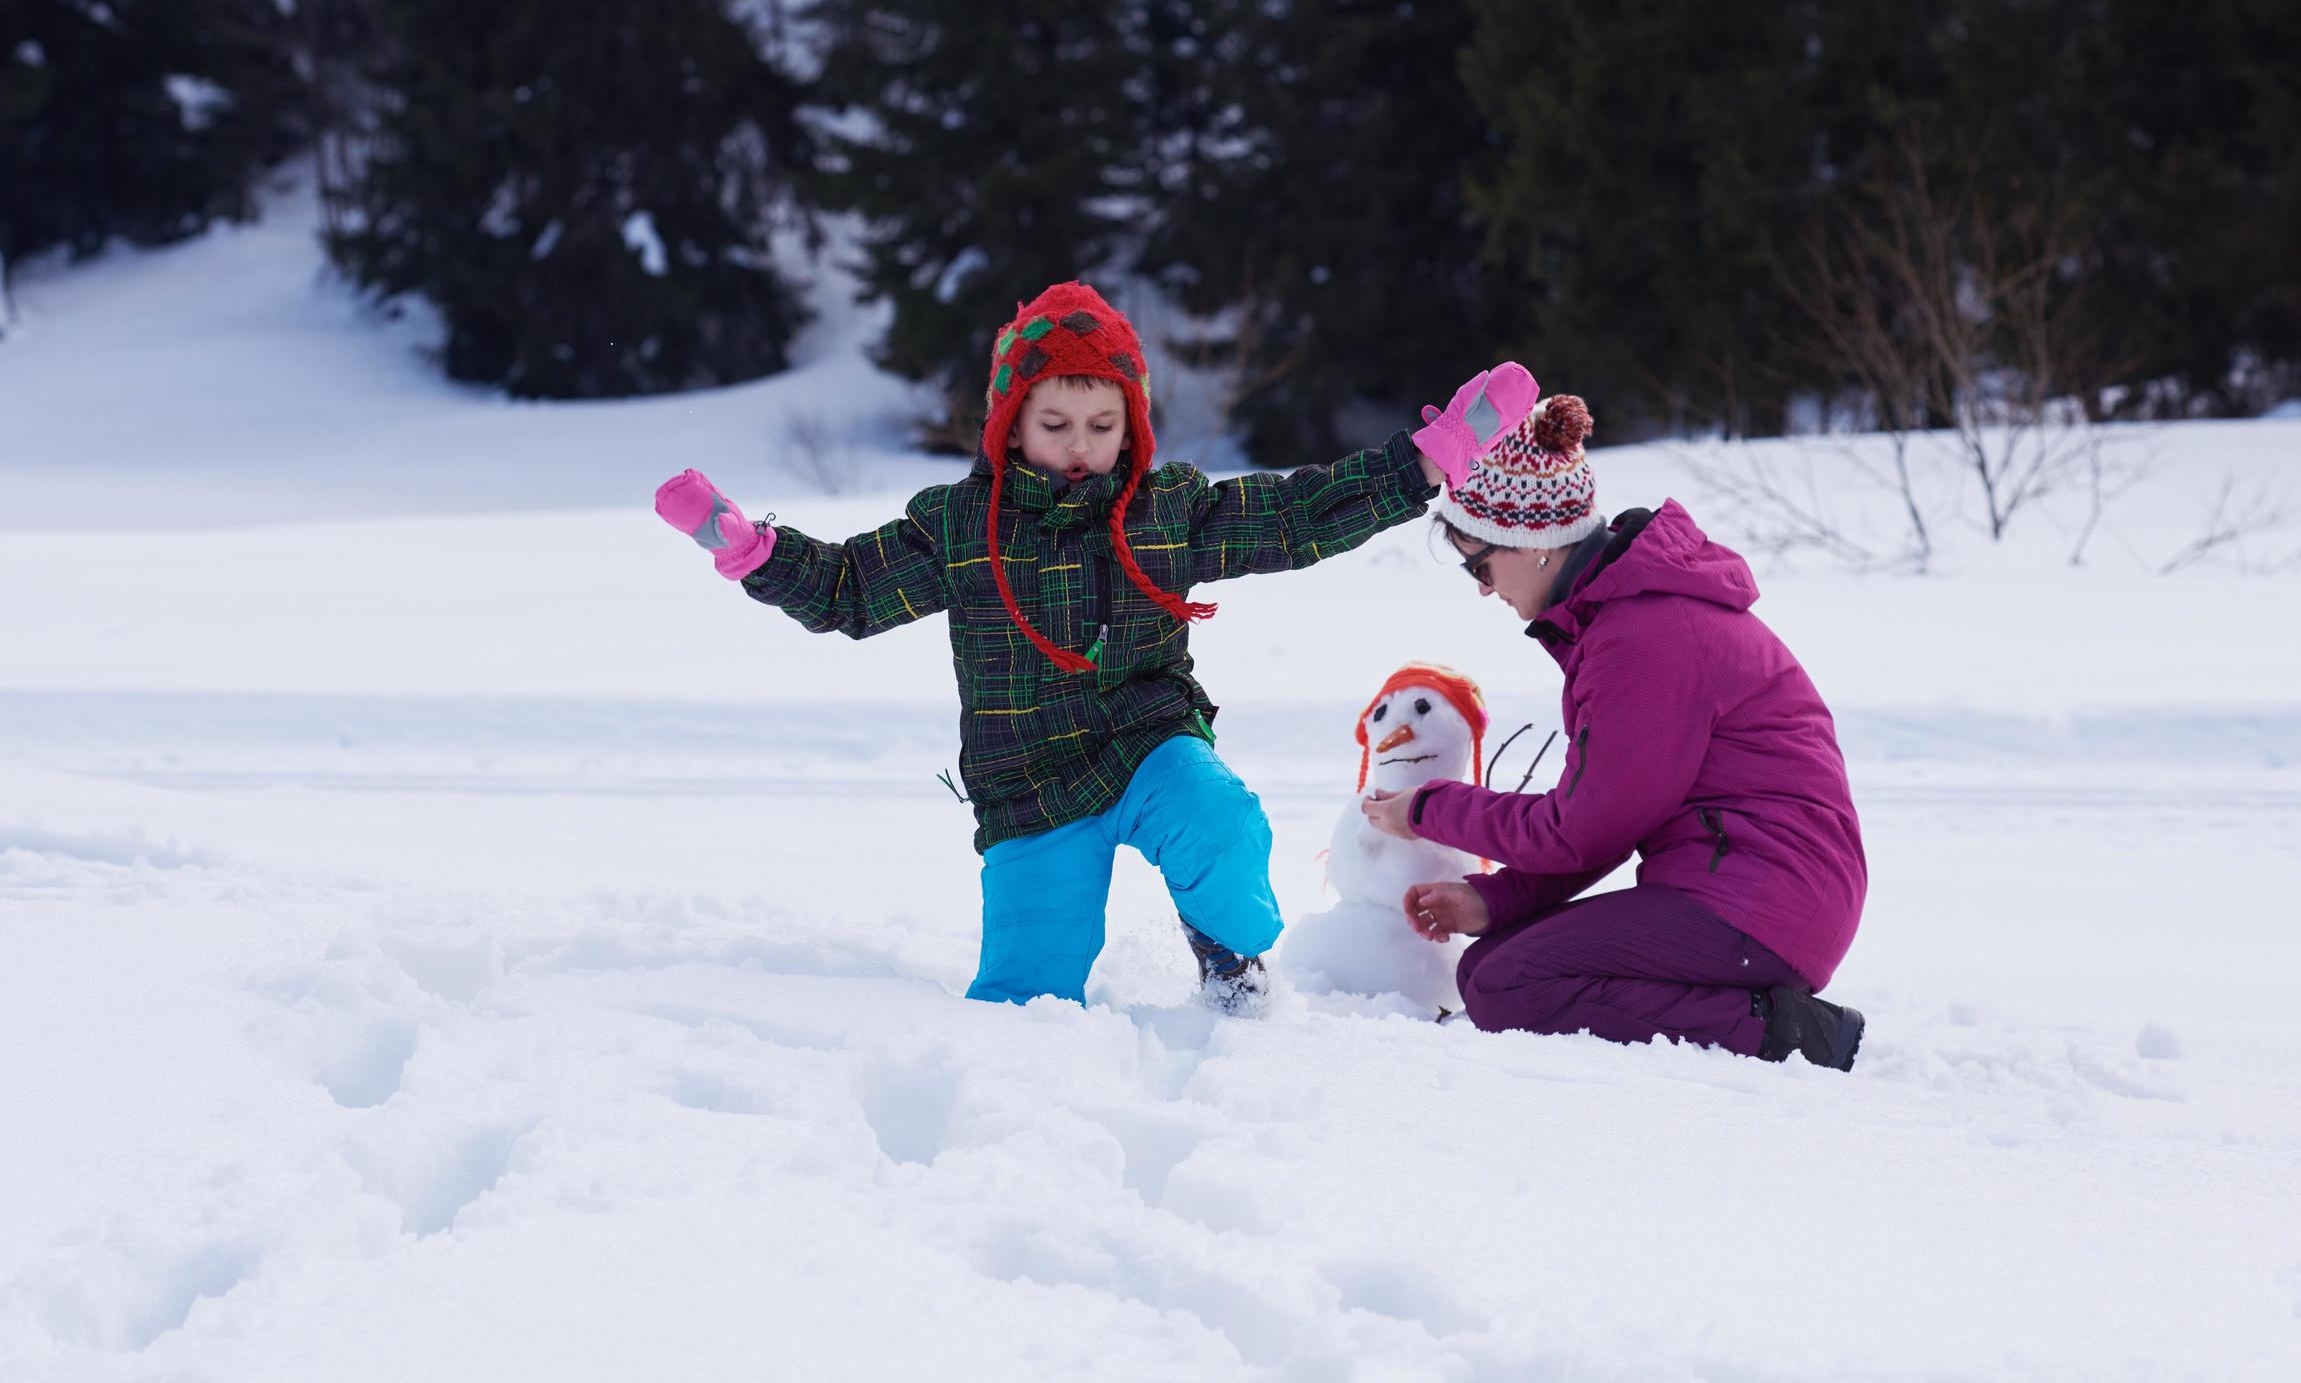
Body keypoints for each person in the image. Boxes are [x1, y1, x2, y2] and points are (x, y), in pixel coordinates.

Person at [656, 277, 1535, 1012]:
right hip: (1030, 781)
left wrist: (1420, 464)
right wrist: (753, 553)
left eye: (1102, 425)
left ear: (1132, 425)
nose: (1081, 447)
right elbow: (850, 591)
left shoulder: (1165, 510)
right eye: (1056, 424)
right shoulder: (964, 529)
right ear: (1011, 423)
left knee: (1219, 823)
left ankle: (1232, 967)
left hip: (1150, 740)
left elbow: (1292, 515)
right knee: (1025, 1000)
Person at [1358, 394, 1871, 1067]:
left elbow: (1579, 830)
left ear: (1532, 541)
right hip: (1749, 896)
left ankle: (1786, 1032)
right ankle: (1757, 1015)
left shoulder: (1645, 636)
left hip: (1761, 904)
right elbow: (1611, 818)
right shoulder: (1623, 620)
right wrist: (1498, 899)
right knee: (1493, 970)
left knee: (1506, 983)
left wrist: (1428, 808)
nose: (1483, 589)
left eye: (1479, 564)